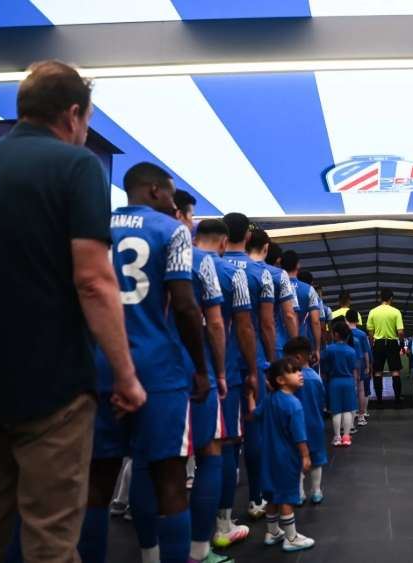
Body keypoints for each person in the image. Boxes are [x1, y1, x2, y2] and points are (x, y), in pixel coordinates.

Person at [0, 59, 145, 563]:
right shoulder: (77, 167)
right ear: (73, 114)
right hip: (50, 385)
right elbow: (94, 279)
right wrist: (124, 376)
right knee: (50, 538)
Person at [80, 162, 210, 563]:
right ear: (154, 190)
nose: (174, 203)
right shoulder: (172, 230)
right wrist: (200, 367)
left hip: (98, 365)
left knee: (97, 480)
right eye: (170, 193)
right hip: (157, 368)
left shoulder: (94, 225)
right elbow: (185, 305)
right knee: (169, 478)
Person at [172, 190, 234, 563]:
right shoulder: (204, 263)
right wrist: (219, 371)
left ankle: (152, 554)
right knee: (212, 449)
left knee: (153, 461)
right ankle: (203, 544)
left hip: (140, 366)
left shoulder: (112, 243)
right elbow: (218, 324)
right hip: (198, 369)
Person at [193, 219, 257, 549]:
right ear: (223, 241)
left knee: (161, 460)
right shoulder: (235, 274)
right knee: (224, 444)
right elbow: (242, 327)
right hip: (223, 373)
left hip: (175, 371)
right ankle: (220, 525)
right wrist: (251, 370)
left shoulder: (175, 262)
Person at [222, 212, 275, 521]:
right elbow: (267, 324)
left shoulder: (210, 266)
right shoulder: (262, 274)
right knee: (255, 427)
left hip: (220, 359)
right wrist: (270, 362)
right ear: (248, 237)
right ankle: (256, 498)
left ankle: (223, 514)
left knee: (226, 437)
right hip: (252, 357)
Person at [260, 359, 316, 552]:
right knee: (286, 496)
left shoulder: (270, 399)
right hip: (286, 458)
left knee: (272, 495)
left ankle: (272, 532)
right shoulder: (294, 404)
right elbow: (299, 436)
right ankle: (291, 538)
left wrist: (250, 396)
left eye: (299, 370)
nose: (300, 374)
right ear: (280, 380)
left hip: (268, 456)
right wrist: (305, 456)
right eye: (294, 371)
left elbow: (255, 414)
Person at [285, 337, 328, 504]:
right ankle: (316, 491)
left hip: (296, 426)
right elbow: (322, 400)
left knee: (296, 459)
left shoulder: (292, 379)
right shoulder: (316, 378)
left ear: (297, 358)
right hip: (316, 424)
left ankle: (299, 493)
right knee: (317, 459)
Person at [247, 228, 298, 360]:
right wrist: (297, 346)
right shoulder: (278, 274)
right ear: (266, 247)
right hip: (273, 342)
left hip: (237, 343)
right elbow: (289, 314)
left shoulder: (235, 268)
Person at [321, 321, 360, 446]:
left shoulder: (329, 349)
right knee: (348, 410)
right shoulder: (351, 351)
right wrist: (355, 384)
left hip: (334, 382)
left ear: (336, 334)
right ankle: (347, 437)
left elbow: (324, 368)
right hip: (349, 382)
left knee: (336, 410)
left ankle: (337, 437)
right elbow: (354, 369)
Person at [282, 250, 322, 363]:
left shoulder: (276, 285)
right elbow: (315, 321)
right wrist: (317, 348)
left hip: (279, 342)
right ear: (298, 265)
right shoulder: (309, 290)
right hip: (301, 344)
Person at [367, 288, 406, 404]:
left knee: (377, 372)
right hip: (392, 343)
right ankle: (397, 399)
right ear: (391, 299)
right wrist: (401, 343)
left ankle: (379, 399)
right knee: (395, 371)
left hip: (378, 343)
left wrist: (372, 343)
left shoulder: (373, 312)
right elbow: (400, 332)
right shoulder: (396, 312)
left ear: (380, 298)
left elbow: (370, 331)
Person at [347, 309, 373, 426]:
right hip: (360, 362)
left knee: (351, 389)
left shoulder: (344, 332)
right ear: (357, 320)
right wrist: (368, 366)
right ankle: (361, 416)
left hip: (348, 363)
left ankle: (350, 418)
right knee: (361, 390)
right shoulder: (362, 334)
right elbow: (367, 351)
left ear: (346, 319)